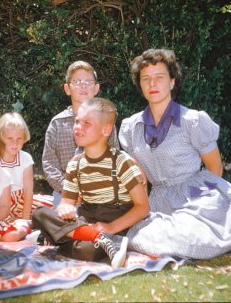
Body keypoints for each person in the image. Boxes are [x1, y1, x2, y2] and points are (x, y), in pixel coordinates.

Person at [118, 48, 231, 260]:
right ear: (140, 85)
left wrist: (205, 203)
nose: (152, 84)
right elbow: (140, 178)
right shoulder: (130, 127)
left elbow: (215, 169)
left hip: (197, 195)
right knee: (139, 239)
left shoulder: (193, 121)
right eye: (146, 79)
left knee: (191, 238)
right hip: (159, 200)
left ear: (172, 81)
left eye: (159, 77)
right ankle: (226, 233)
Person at [32, 97, 150, 268]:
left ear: (106, 130)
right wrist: (65, 207)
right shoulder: (75, 164)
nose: (78, 127)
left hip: (115, 220)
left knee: (86, 250)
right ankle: (98, 241)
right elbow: (66, 202)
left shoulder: (121, 162)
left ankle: (63, 238)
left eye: (87, 123)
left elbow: (143, 207)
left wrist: (110, 227)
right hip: (86, 220)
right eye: (77, 122)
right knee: (40, 214)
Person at [42, 60, 120, 208]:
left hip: (101, 192)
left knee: (103, 228)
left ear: (96, 88)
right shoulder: (57, 123)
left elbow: (115, 158)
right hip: (65, 194)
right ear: (67, 88)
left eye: (88, 81)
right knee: (61, 225)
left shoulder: (106, 122)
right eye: (77, 81)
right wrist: (68, 189)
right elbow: (49, 163)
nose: (83, 85)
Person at [0, 112, 53, 221]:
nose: (15, 143)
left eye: (19, 139)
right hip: (0, 203)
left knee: (54, 204)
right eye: (10, 139)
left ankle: (26, 220)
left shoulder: (25, 158)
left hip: (23, 200)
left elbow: (28, 190)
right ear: (1, 137)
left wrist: (25, 220)